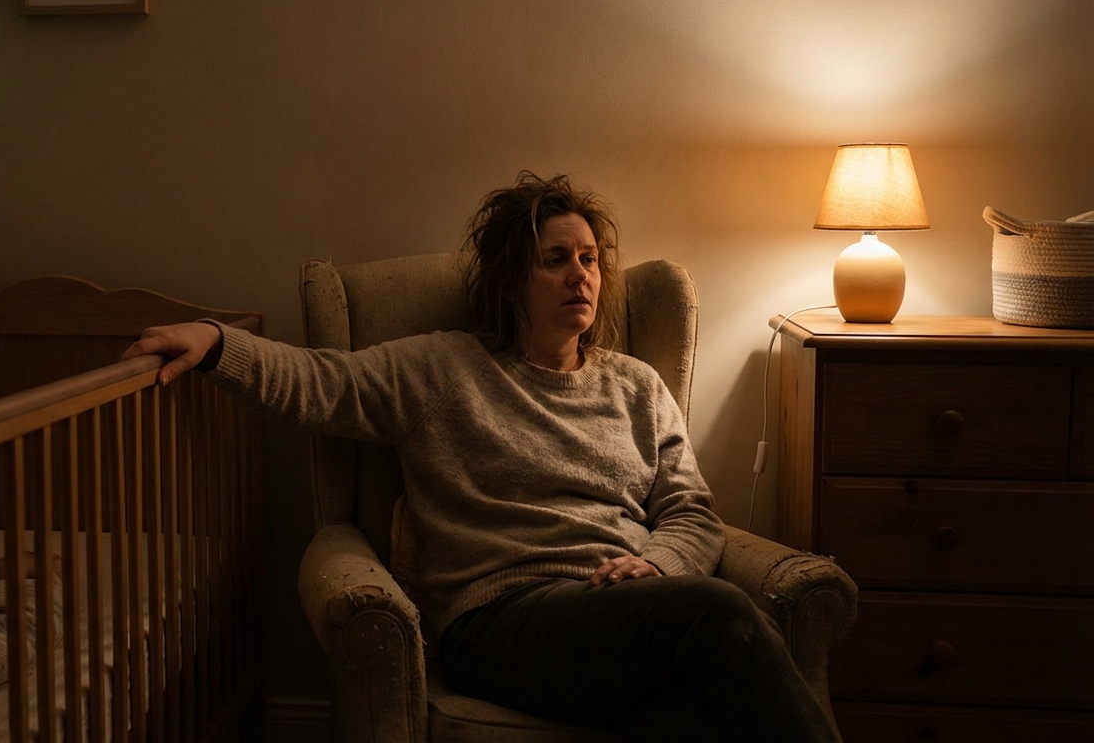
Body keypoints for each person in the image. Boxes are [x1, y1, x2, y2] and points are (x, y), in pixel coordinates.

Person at [122, 172, 841, 742]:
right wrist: (216, 343)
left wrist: (659, 563)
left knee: (689, 727)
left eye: (589, 260)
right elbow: (321, 383)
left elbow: (689, 509)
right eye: (555, 261)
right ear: (510, 281)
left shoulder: (635, 385)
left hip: (624, 616)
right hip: (499, 623)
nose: (580, 277)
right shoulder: (443, 370)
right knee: (721, 613)